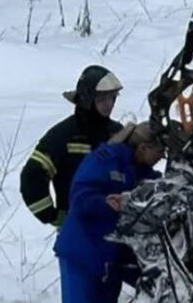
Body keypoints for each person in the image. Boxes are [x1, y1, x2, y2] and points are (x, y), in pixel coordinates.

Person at [54, 122, 165, 303]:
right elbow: (80, 198)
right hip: (83, 253)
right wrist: (106, 203)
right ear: (144, 147)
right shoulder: (105, 159)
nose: (161, 159)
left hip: (111, 257)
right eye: (159, 152)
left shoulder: (145, 172)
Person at [20, 65, 125, 228]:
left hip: (117, 228)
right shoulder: (63, 135)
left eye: (112, 97)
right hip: (78, 231)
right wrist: (52, 215)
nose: (109, 104)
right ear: (87, 99)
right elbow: (32, 175)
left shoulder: (118, 132)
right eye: (101, 99)